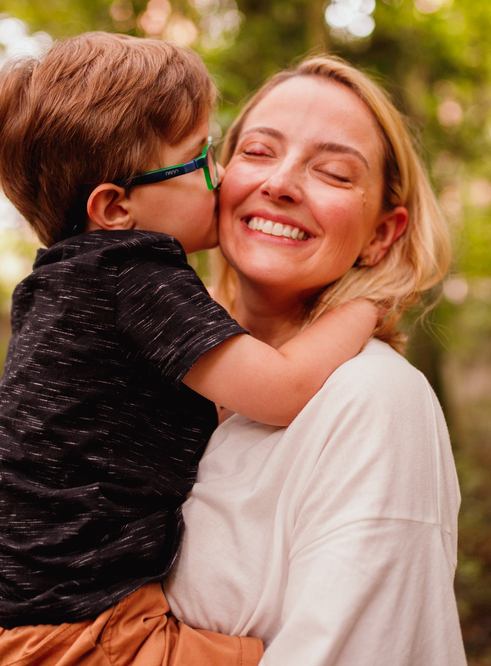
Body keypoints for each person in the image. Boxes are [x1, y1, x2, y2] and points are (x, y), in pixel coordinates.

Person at [0, 33, 380, 666]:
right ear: (115, 206)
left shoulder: (57, 280)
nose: (219, 177)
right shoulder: (135, 275)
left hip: (13, 614)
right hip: (90, 629)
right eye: (199, 161)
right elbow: (283, 392)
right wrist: (365, 309)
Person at [164, 56, 467, 665]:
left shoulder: (375, 401)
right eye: (257, 151)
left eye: (332, 172)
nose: (280, 183)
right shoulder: (165, 377)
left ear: (383, 234)